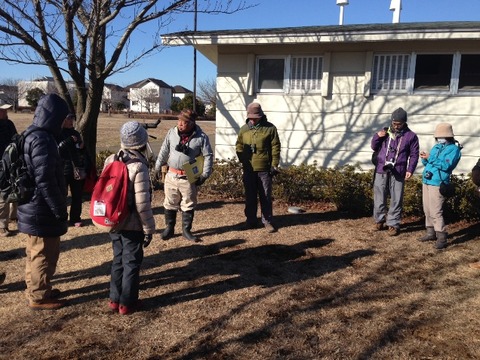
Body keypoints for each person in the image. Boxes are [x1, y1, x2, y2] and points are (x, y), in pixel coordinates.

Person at [18, 93, 69, 310]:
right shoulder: (43, 140)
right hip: (41, 208)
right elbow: (46, 180)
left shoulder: (31, 134)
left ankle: (37, 287)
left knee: (34, 251)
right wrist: (59, 209)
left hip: (32, 205)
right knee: (43, 253)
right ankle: (39, 297)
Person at [106, 121, 156, 315]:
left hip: (113, 220)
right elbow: (142, 203)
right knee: (132, 263)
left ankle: (114, 299)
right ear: (142, 142)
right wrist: (149, 229)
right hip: (132, 223)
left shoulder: (111, 159)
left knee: (117, 259)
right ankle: (127, 303)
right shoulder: (138, 166)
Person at [154, 109, 213, 242]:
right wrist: (158, 166)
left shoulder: (201, 137)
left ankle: (186, 230)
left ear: (192, 123)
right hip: (171, 175)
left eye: (184, 121)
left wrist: (205, 174)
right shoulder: (172, 132)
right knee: (170, 202)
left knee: (188, 203)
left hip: (188, 176)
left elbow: (208, 156)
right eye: (179, 120)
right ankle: (169, 228)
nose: (180, 123)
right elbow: (164, 149)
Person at [371, 107, 419, 236]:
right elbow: (374, 147)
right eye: (394, 123)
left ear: (404, 122)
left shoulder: (411, 136)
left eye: (399, 124)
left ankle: (393, 224)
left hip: (399, 170)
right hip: (382, 168)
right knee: (379, 196)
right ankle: (379, 220)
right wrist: (377, 137)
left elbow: (414, 154)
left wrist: (410, 169)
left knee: (396, 198)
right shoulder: (385, 132)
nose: (396, 126)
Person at [235, 101, 281, 233]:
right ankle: (250, 220)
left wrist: (274, 165)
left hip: (264, 169)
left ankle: (267, 221)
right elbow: (238, 145)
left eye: (255, 117)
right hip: (249, 169)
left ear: (261, 116)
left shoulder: (270, 128)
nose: (253, 120)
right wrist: (243, 159)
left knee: (265, 196)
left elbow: (275, 147)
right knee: (250, 196)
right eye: (251, 117)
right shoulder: (244, 129)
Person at [418, 123, 462, 250]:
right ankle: (430, 232)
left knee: (436, 211)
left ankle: (441, 236)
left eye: (441, 136)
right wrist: (424, 159)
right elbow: (429, 162)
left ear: (447, 136)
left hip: (438, 182)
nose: (439, 139)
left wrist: (430, 158)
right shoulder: (436, 147)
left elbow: (446, 165)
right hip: (426, 180)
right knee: (427, 209)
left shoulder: (454, 150)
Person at [57, 113, 86, 227]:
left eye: (72, 119)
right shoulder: (57, 133)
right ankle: (62, 218)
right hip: (62, 169)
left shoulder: (75, 133)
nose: (71, 121)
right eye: (68, 119)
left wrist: (82, 147)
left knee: (77, 195)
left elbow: (80, 151)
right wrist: (68, 141)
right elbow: (57, 150)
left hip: (76, 168)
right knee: (62, 196)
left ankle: (75, 218)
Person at [0, 105, 18, 236]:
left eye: (6, 110)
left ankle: (14, 216)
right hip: (1, 165)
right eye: (2, 110)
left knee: (16, 189)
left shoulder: (9, 123)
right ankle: (2, 225)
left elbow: (15, 139)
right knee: (2, 195)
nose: (6, 112)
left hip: (12, 163)